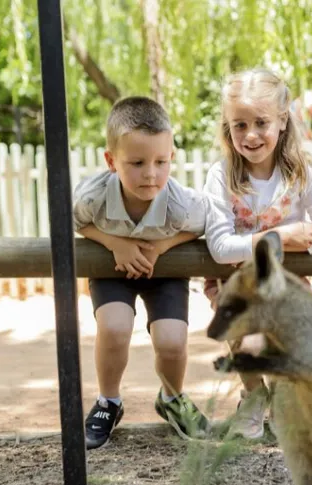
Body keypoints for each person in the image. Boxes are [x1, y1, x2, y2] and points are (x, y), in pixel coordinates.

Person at [202, 67, 312, 438]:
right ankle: (252, 396)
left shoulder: (300, 172)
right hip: (237, 284)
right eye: (239, 125)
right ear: (227, 126)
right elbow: (219, 247)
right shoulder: (221, 176)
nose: (250, 135)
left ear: (282, 121)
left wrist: (302, 241)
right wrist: (280, 236)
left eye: (261, 122)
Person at [73, 96, 211, 449]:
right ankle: (109, 401)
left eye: (161, 162)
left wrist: (163, 247)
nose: (150, 173)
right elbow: (74, 222)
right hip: (112, 267)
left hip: (162, 270)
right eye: (136, 163)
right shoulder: (93, 197)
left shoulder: (182, 203)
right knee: (115, 327)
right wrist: (113, 243)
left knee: (171, 341)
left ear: (172, 158)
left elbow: (201, 226)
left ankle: (172, 397)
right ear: (111, 161)